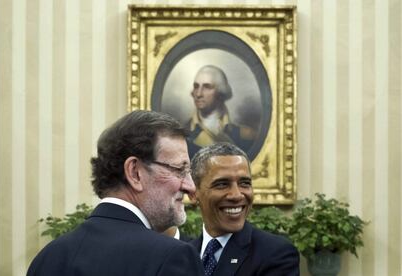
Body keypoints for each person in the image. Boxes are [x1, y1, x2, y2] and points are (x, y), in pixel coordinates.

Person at [27, 110, 204, 276]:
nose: (191, 186)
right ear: (135, 172)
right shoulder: (173, 256)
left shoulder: (48, 257)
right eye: (180, 170)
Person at [190, 142, 299, 276]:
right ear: (193, 193)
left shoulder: (276, 254)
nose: (236, 195)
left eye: (244, 183)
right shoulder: (183, 254)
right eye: (222, 184)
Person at [186, 65, 256, 157]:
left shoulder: (245, 135)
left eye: (207, 87)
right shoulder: (181, 134)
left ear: (220, 91)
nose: (198, 94)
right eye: (196, 86)